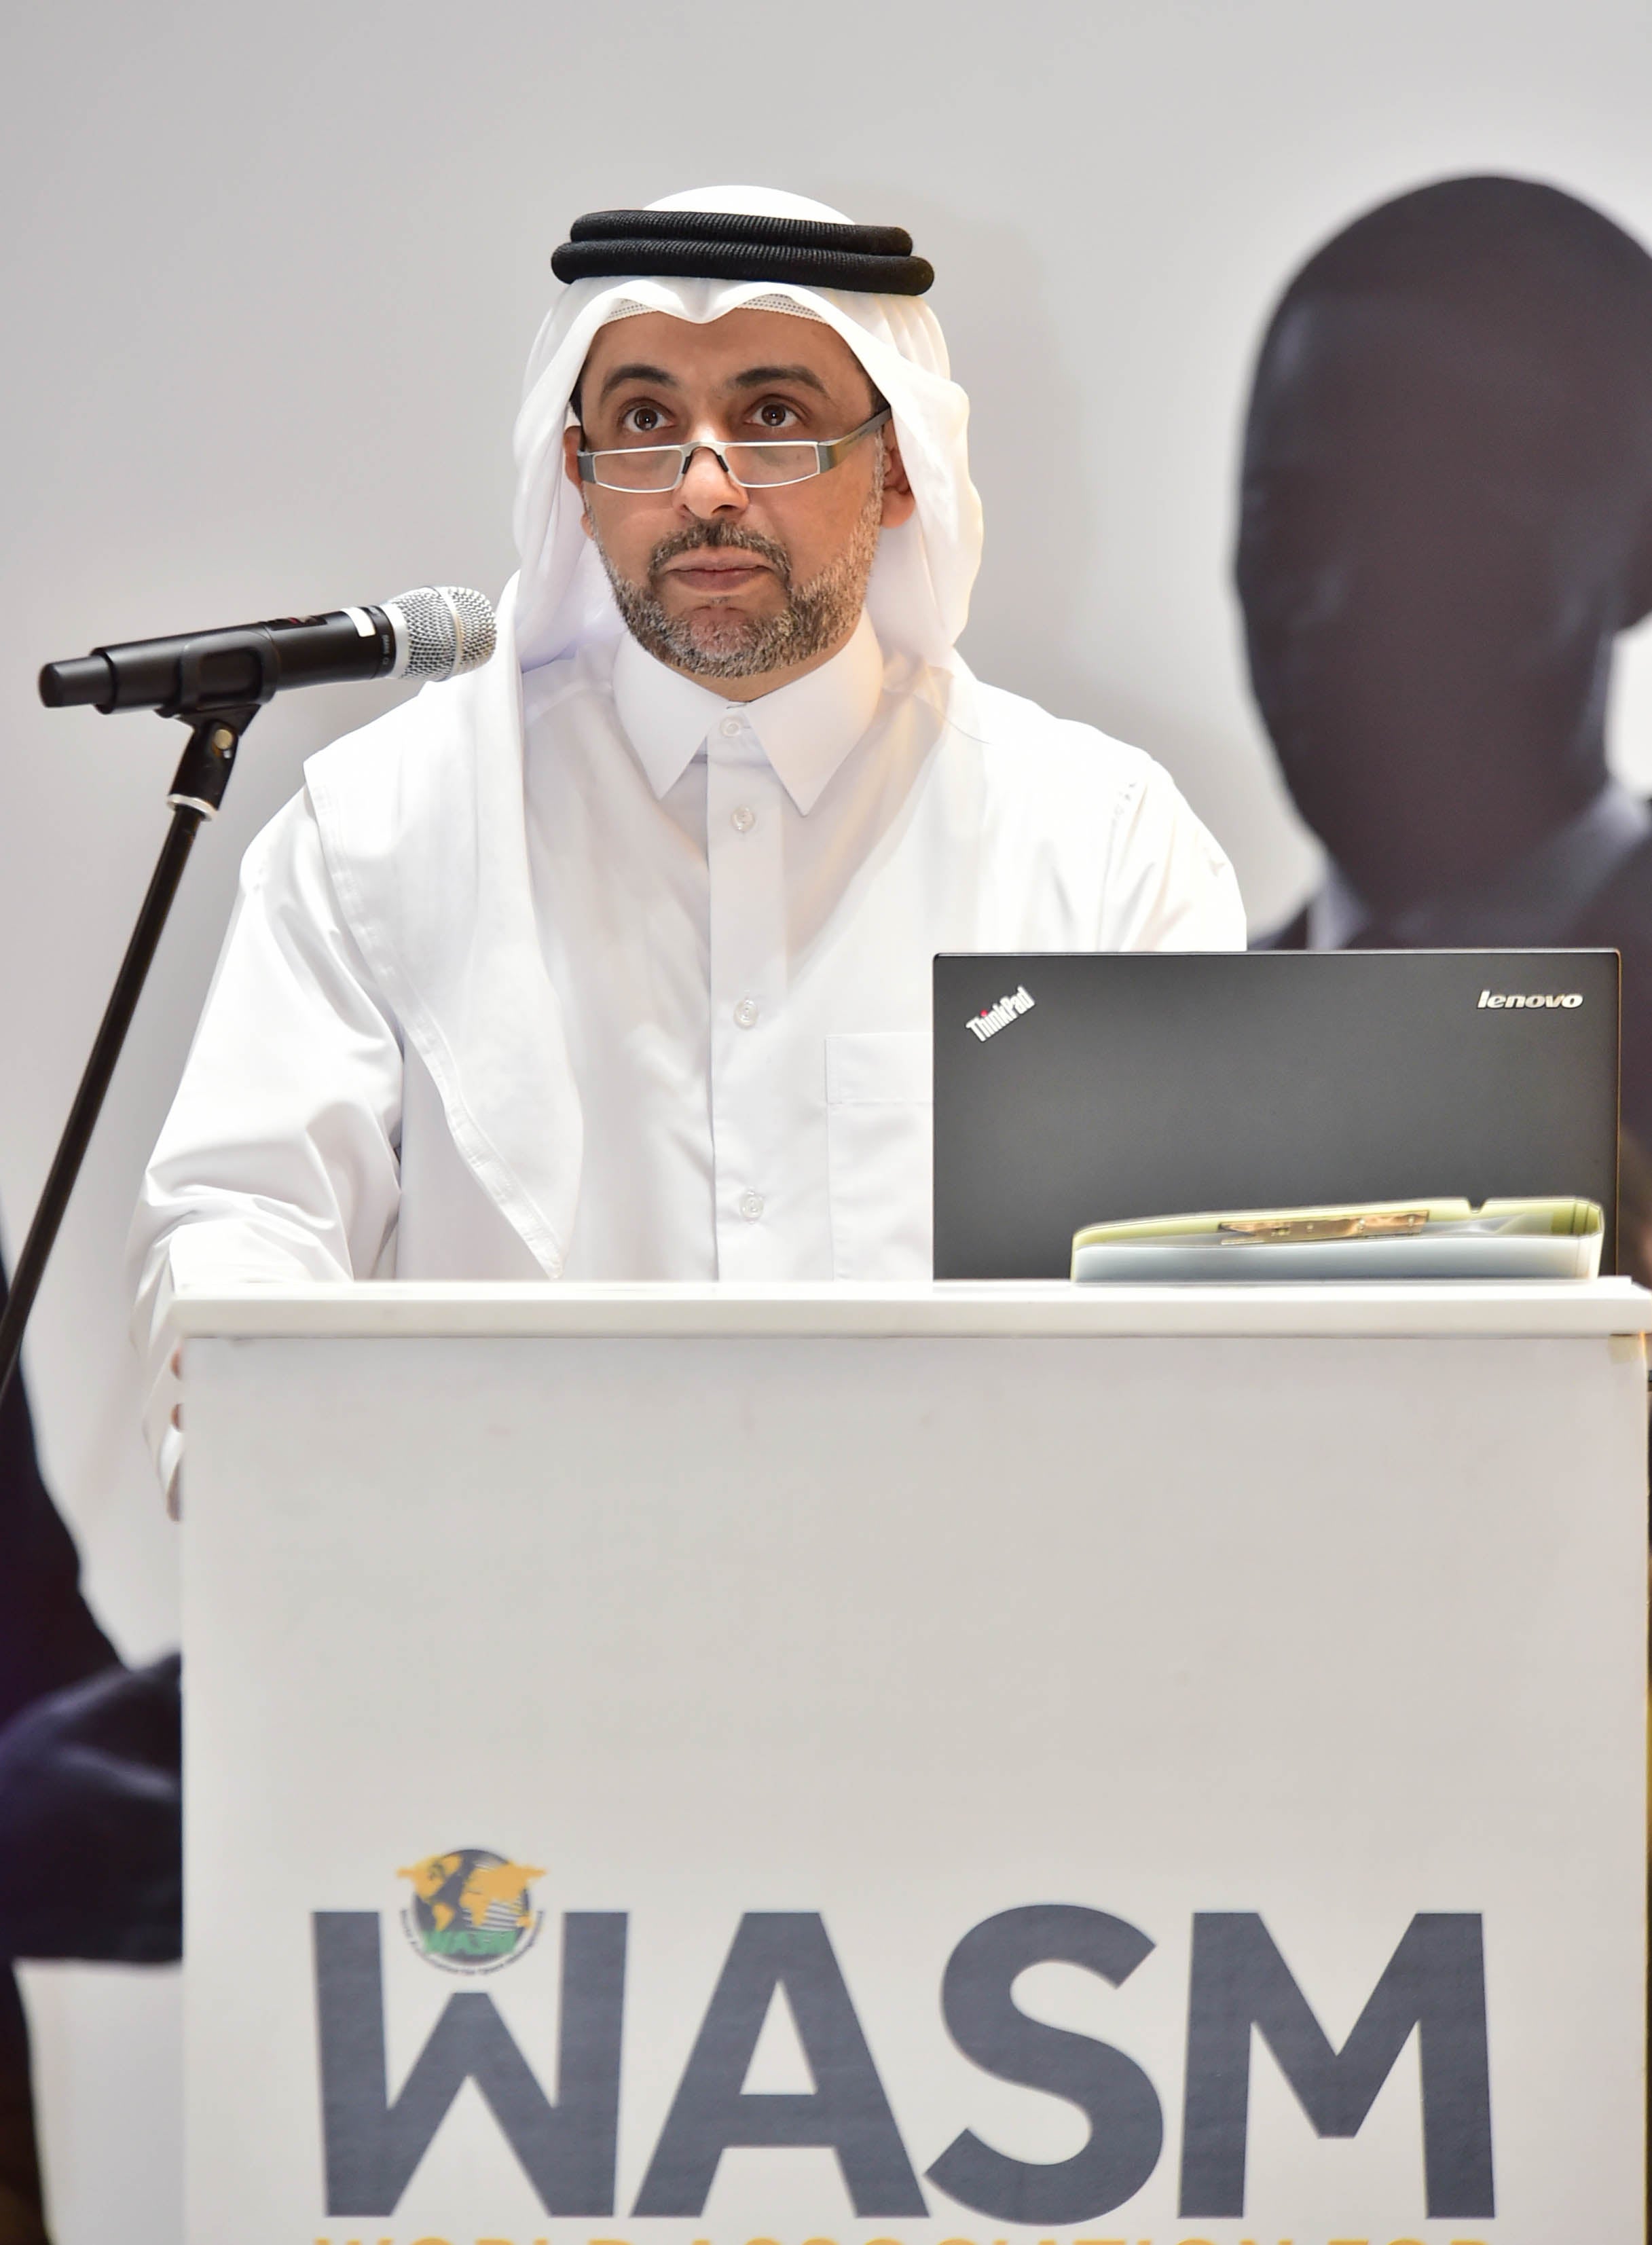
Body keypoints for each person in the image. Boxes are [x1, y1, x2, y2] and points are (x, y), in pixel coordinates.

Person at [130, 185, 1244, 1497]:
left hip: (978, 1592)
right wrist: (259, 1445)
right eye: (647, 422)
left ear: (895, 469)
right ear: (577, 475)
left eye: (772, 418)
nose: (704, 486)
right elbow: (242, 1220)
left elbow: (1202, 1298)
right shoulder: (384, 826)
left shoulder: (1098, 843)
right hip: (509, 1590)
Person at [1237, 174, 1652, 1277]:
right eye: (1288, 517)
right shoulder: (1159, 1057)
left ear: (1639, 553)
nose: (1338, 598)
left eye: (1436, 521)